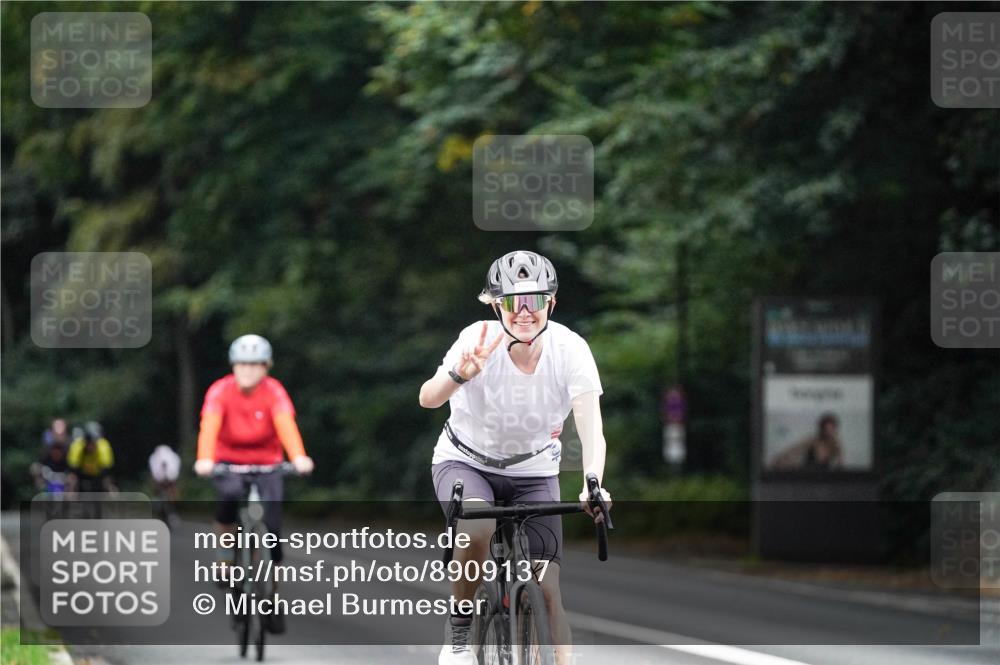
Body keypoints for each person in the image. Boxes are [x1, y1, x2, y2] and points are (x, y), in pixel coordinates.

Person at [419, 250, 612, 665]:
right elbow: (427, 398)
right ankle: (459, 629)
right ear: (495, 305)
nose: (525, 312)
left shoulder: (571, 350)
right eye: (512, 302)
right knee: (477, 530)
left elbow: (591, 427)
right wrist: (460, 375)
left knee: (547, 589)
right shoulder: (476, 339)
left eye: (536, 301)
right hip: (465, 461)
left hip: (535, 469)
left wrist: (592, 481)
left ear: (552, 304)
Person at [193, 334, 314, 634]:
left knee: (271, 529)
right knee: (228, 499)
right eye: (242, 364)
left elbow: (286, 425)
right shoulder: (220, 391)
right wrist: (205, 459)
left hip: (267, 463)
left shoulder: (274, 392)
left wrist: (298, 457)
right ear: (233, 366)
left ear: (266, 367)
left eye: (255, 365)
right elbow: (209, 426)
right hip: (229, 462)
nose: (248, 371)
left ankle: (271, 596)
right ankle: (224, 559)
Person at [770, 412, 844, 470]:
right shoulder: (813, 440)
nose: (829, 432)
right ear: (822, 429)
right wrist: (780, 460)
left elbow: (840, 464)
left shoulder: (836, 444)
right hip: (808, 475)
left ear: (835, 429)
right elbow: (794, 449)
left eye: (831, 429)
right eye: (826, 429)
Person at [67, 421, 116, 492]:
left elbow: (107, 472)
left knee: (112, 490)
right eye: (88, 441)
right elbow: (73, 472)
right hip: (81, 476)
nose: (91, 444)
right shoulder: (77, 447)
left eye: (94, 441)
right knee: (70, 487)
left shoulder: (103, 447)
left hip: (99, 477)